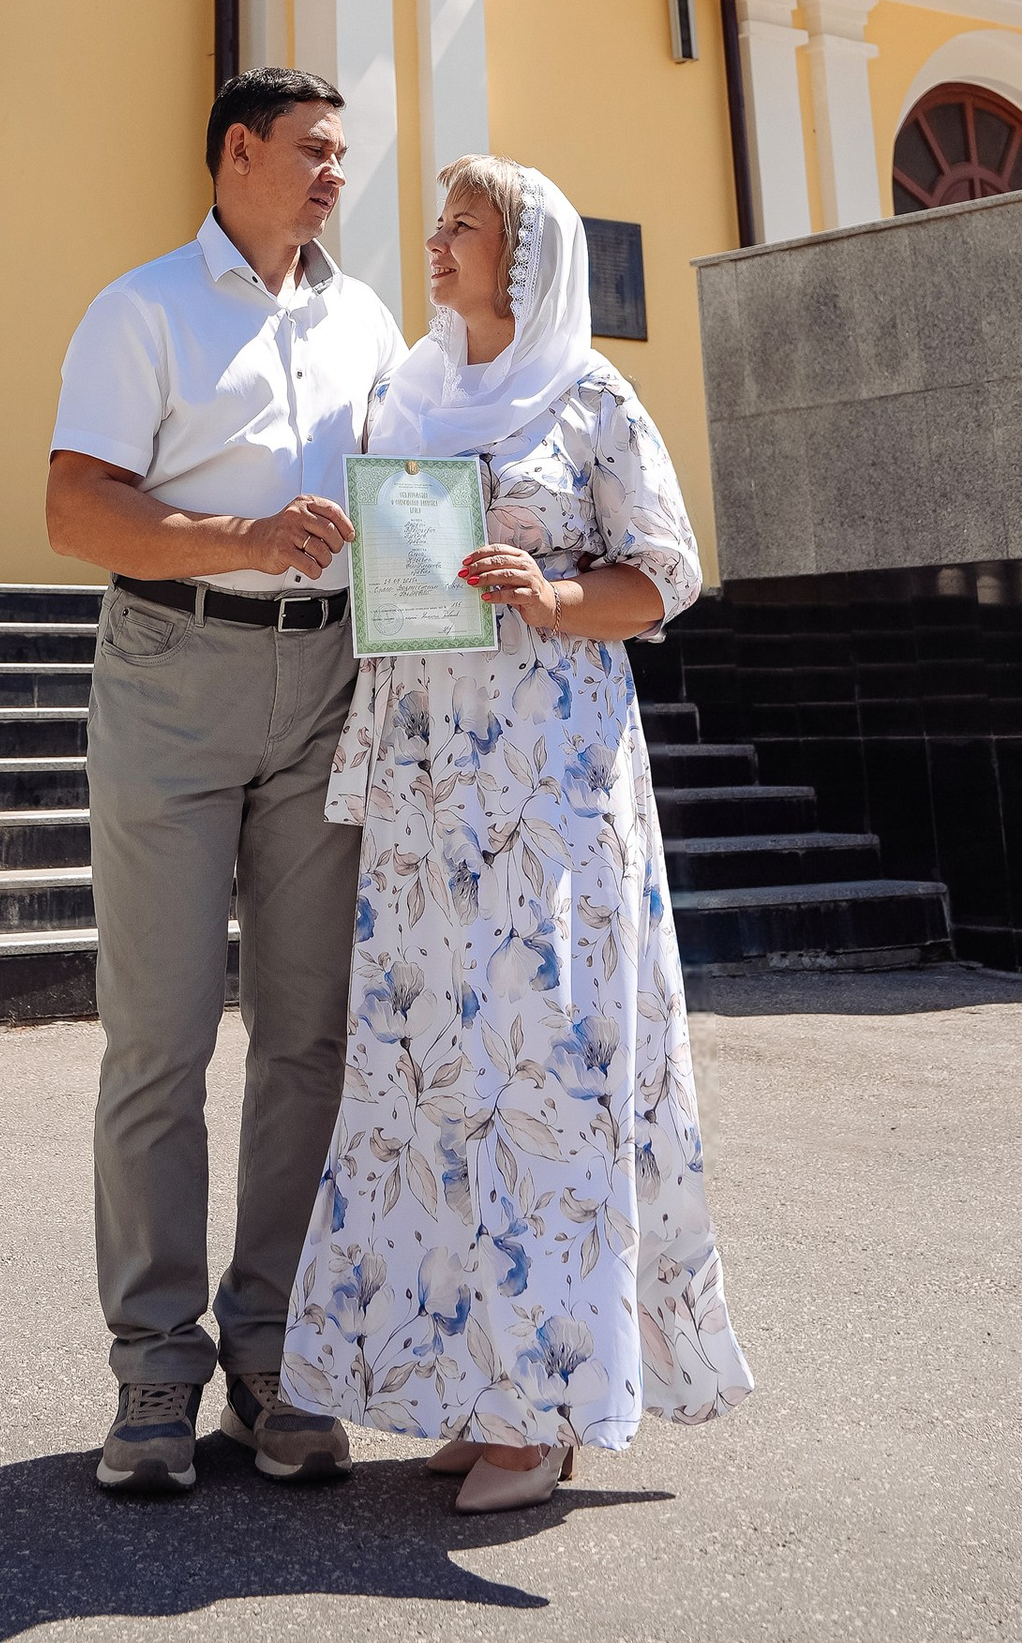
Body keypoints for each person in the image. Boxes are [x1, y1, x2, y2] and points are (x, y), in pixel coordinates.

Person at [280, 156, 754, 1514]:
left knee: (541, 1072)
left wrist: (547, 591)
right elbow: (401, 560)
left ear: (527, 256)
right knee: (434, 1073)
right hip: (428, 781)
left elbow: (665, 574)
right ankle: (462, 1385)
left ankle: (546, 1408)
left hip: (548, 780)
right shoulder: (410, 392)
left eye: (465, 228)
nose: (436, 247)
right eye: (435, 226)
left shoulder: (591, 395)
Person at [46, 67, 409, 1498]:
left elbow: (404, 490)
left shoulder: (367, 317)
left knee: (308, 1034)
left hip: (328, 682)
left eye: (345, 154)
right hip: (174, 672)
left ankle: (274, 1360)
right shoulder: (142, 309)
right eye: (316, 150)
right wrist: (245, 536)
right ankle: (151, 1374)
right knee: (161, 1035)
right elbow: (79, 508)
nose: (337, 173)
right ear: (238, 153)